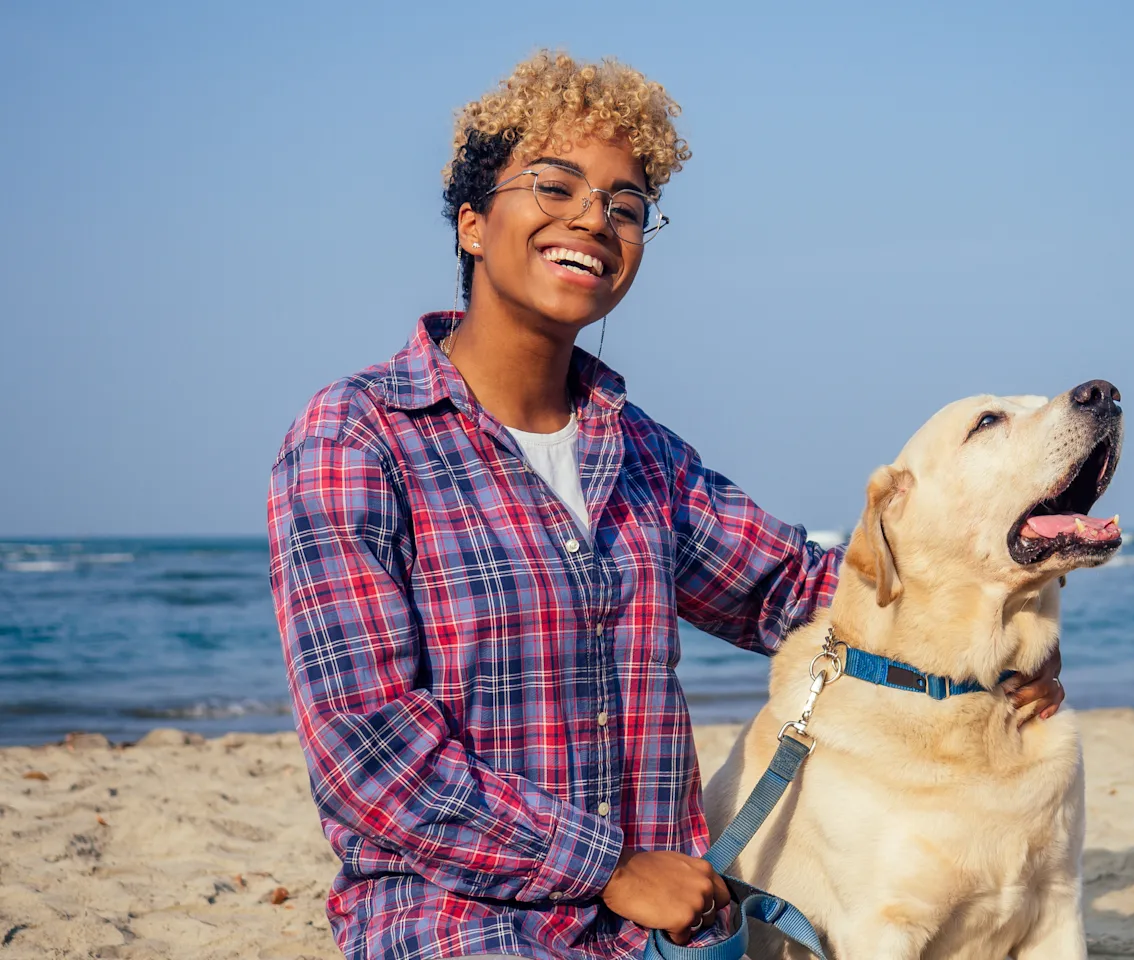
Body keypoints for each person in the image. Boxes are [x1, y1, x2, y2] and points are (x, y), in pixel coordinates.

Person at [267, 50, 1066, 960]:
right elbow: (368, 753)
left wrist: (990, 653)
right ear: (473, 223)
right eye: (556, 186)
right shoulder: (357, 437)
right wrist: (606, 866)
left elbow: (808, 590)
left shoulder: (639, 454)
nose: (593, 221)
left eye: (626, 206)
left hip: (670, 932)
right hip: (456, 922)